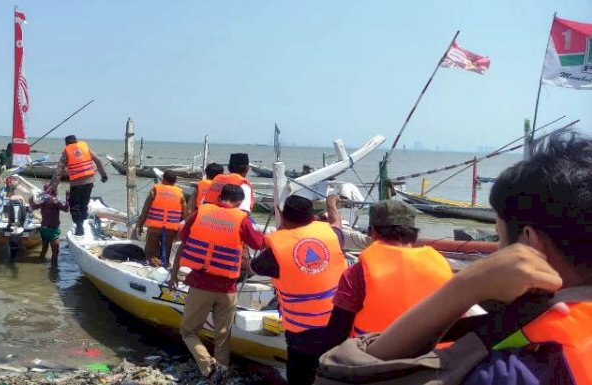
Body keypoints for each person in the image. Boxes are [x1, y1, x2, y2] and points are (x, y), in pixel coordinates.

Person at [361, 131, 592, 384]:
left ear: (529, 245)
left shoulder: (505, 374)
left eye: (500, 239)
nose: (497, 250)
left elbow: (345, 374)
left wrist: (466, 285)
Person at [169, 184, 265, 383]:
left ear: (220, 197)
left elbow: (183, 236)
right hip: (228, 287)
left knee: (188, 331)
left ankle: (209, 367)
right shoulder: (242, 219)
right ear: (240, 202)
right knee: (222, 335)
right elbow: (259, 243)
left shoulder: (200, 212)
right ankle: (222, 373)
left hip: (201, 283)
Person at [250, 194, 349, 385]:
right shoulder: (332, 235)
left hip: (302, 333)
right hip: (337, 323)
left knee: (300, 378)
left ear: (284, 216)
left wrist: (281, 231)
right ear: (313, 217)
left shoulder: (277, 249)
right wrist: (331, 204)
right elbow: (336, 222)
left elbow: (253, 267)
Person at [329, 199, 452, 343]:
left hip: (374, 358)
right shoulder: (440, 265)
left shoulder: (357, 273)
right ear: (414, 233)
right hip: (432, 358)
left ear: (372, 232)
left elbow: (337, 331)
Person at [50, 135, 108, 236]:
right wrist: (103, 175)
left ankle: (79, 226)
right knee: (83, 205)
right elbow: (98, 160)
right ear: (76, 141)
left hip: (76, 184)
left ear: (67, 143)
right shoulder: (85, 147)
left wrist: (53, 186)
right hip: (89, 182)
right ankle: (82, 224)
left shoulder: (67, 151)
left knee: (74, 206)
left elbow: (59, 171)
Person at [137, 170, 187, 267]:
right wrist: (182, 231)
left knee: (151, 253)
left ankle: (153, 267)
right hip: (171, 229)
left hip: (154, 228)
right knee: (166, 252)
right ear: (175, 181)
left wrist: (140, 225)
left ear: (163, 179)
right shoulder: (180, 194)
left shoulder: (155, 190)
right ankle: (165, 266)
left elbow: (145, 210)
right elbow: (185, 214)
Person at [30, 183, 68, 265]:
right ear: (53, 189)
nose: (58, 189)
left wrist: (32, 198)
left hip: (44, 228)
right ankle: (54, 271)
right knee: (55, 252)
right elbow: (66, 209)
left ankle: (40, 266)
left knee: (44, 250)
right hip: (53, 230)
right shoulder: (54, 200)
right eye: (57, 188)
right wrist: (68, 197)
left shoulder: (42, 200)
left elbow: (33, 207)